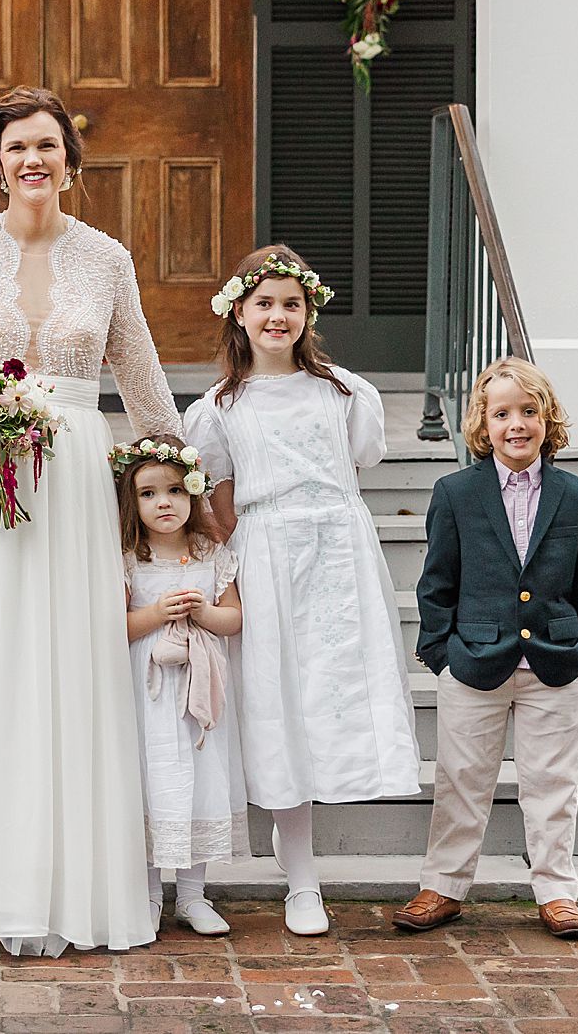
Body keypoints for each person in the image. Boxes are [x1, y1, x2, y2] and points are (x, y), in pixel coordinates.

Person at [0, 85, 180, 955]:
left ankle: (78, 881)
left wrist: (188, 477)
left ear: (71, 160)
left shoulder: (106, 259)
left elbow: (141, 381)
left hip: (69, 489)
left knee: (72, 666)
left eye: (48, 146)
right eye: (18, 147)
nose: (34, 160)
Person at [183, 244, 420, 936]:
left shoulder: (344, 392)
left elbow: (359, 460)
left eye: (291, 303)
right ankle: (302, 881)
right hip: (267, 552)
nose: (278, 315)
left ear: (308, 311)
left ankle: (305, 878)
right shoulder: (221, 408)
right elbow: (217, 502)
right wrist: (237, 565)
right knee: (279, 700)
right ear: (239, 312)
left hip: (338, 551)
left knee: (329, 695)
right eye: (265, 303)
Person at [394, 357, 578, 941]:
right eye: (502, 413)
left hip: (555, 662)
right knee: (461, 778)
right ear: (482, 424)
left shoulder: (577, 495)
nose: (516, 423)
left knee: (552, 783)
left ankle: (557, 891)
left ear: (548, 418)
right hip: (473, 661)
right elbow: (437, 580)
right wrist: (440, 650)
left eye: (529, 410)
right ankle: (443, 885)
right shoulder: (457, 493)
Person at [114, 434, 246, 937]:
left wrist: (205, 612)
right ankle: (147, 894)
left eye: (173, 490)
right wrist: (152, 615)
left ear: (193, 493)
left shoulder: (210, 553)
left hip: (198, 692)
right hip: (145, 693)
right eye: (148, 494)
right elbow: (112, 626)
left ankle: (193, 895)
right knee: (149, 782)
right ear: (133, 502)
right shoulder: (129, 557)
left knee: (200, 781)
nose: (163, 502)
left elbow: (234, 619)